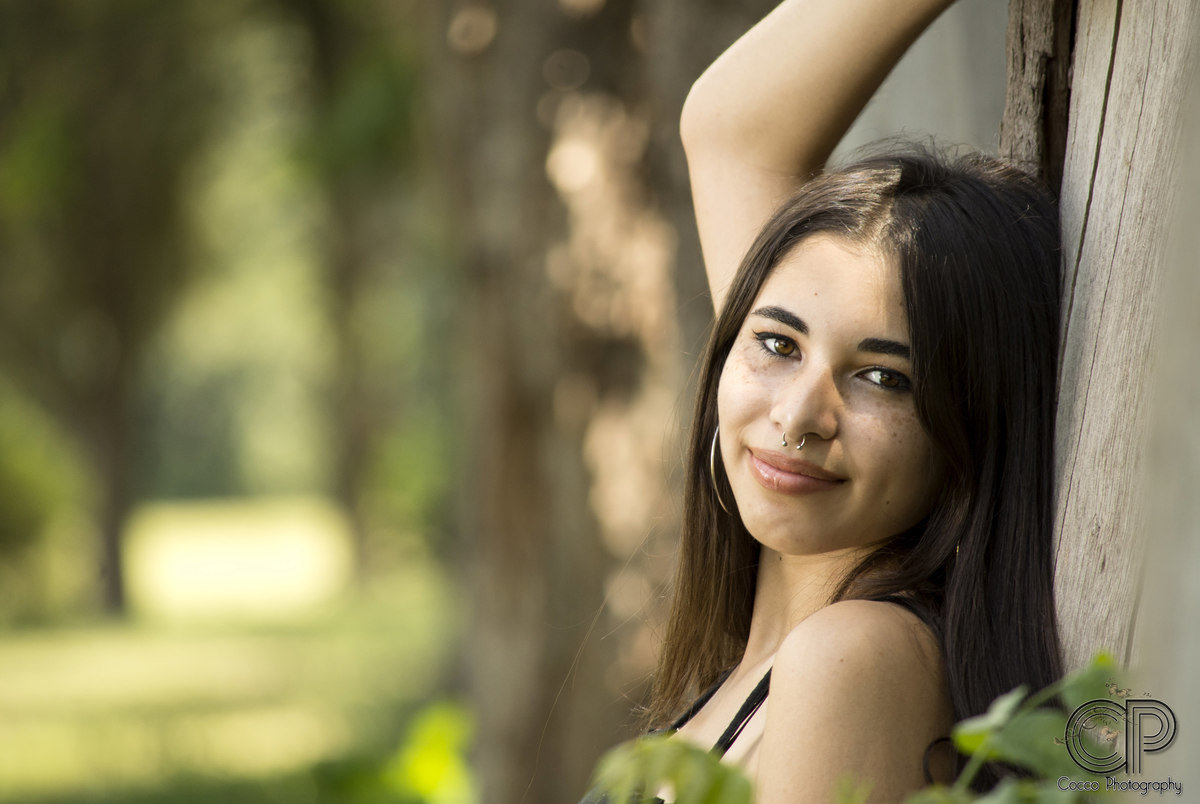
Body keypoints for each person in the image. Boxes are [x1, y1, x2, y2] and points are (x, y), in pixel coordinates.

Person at [588, 1, 1063, 801]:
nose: (799, 416)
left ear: (968, 431)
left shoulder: (852, 654)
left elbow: (734, 130)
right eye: (777, 344)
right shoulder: (769, 663)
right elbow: (732, 130)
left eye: (885, 377)